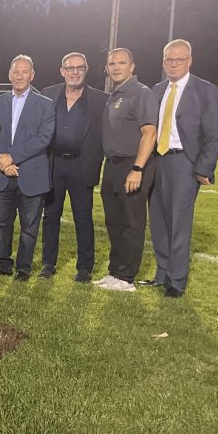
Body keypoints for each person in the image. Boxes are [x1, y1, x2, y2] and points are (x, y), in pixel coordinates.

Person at [140, 39, 218, 297]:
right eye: (169, 60)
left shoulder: (205, 90)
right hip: (158, 161)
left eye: (179, 59)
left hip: (184, 163)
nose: (173, 64)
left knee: (178, 223)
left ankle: (176, 282)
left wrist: (203, 167)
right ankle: (162, 274)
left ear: (189, 61)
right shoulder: (156, 89)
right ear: (163, 62)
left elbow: (216, 134)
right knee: (158, 221)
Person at [0, 55, 55, 280]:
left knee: (29, 226)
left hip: (31, 173)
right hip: (3, 173)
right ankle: (2, 265)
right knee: (2, 224)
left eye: (24, 72)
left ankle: (23, 269)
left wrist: (12, 157)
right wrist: (1, 163)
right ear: (9, 74)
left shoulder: (45, 104)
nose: (19, 76)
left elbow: (44, 138)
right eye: (16, 71)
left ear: (32, 75)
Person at [93, 48, 158, 293]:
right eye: (112, 63)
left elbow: (149, 132)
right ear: (107, 68)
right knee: (114, 222)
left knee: (132, 222)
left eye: (121, 63)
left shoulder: (141, 93)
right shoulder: (115, 94)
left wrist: (137, 168)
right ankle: (115, 271)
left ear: (132, 66)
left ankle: (127, 277)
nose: (116, 67)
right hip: (112, 166)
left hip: (131, 164)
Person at [39, 53, 107, 282]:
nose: (75, 72)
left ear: (86, 70)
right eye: (70, 68)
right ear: (62, 71)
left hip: (82, 164)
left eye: (79, 68)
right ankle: (48, 263)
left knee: (83, 217)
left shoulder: (100, 99)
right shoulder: (48, 94)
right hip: (54, 164)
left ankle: (85, 267)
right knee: (50, 216)